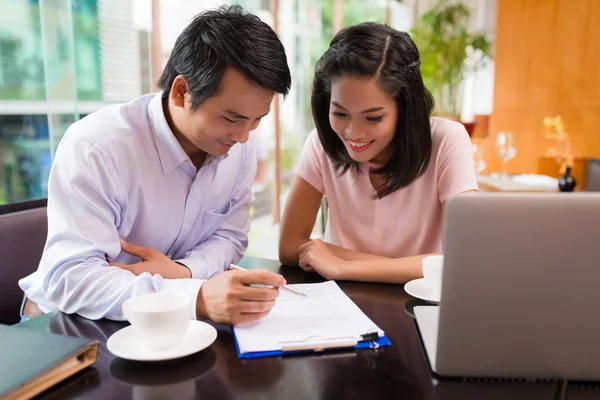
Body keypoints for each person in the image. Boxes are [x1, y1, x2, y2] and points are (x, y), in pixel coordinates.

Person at [19, 5, 292, 324]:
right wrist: (195, 296)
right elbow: (73, 280)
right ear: (181, 92)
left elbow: (230, 236)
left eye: (257, 120)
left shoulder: (238, 142)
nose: (245, 137)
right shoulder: (97, 147)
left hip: (162, 324)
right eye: (232, 118)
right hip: (67, 325)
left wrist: (184, 272)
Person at [279, 22, 478, 283]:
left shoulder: (446, 140)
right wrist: (409, 267)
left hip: (414, 304)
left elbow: (461, 260)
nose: (353, 132)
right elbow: (289, 245)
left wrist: (341, 266)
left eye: (373, 118)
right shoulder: (320, 143)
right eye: (339, 113)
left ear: (404, 109)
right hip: (340, 303)